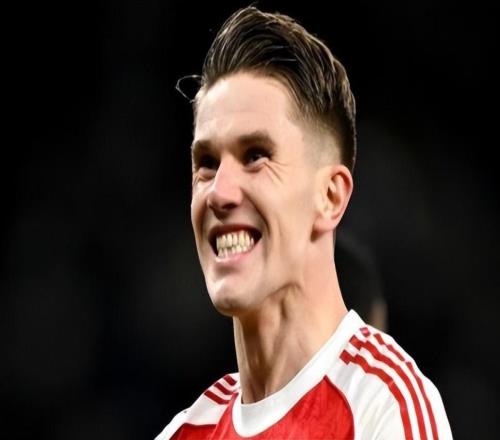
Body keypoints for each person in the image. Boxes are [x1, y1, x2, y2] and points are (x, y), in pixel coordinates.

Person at [156, 6, 452, 439]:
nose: (219, 192)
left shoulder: (383, 408)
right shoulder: (183, 433)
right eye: (207, 162)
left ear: (329, 197)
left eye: (255, 156)